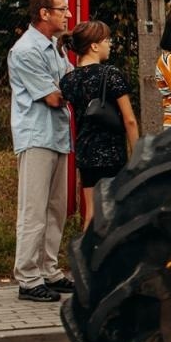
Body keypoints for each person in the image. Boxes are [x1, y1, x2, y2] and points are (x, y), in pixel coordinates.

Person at [8, 0, 73, 303]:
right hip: (36, 135)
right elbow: (53, 97)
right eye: (62, 9)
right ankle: (28, 276)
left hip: (57, 135)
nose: (68, 15)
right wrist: (78, 88)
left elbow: (70, 82)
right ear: (44, 13)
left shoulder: (55, 48)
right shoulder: (26, 51)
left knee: (56, 208)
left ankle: (49, 268)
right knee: (33, 209)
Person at [59, 20, 140, 230]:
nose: (110, 44)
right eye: (106, 40)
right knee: (114, 213)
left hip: (86, 154)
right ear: (94, 46)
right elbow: (129, 119)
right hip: (112, 153)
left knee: (92, 214)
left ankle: (86, 259)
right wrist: (138, 152)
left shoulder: (69, 80)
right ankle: (111, 261)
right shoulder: (111, 75)